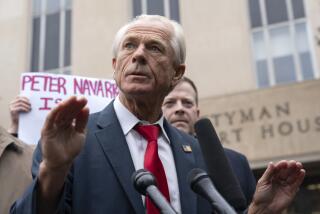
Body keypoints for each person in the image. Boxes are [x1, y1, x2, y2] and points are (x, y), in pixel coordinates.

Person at [11, 15, 305, 214]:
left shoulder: (202, 158)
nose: (138, 55)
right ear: (116, 66)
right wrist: (54, 170)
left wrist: (257, 211)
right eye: (129, 46)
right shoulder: (69, 145)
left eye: (154, 48)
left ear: (177, 73)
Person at [162, 76, 256, 205]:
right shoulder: (149, 161)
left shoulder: (237, 163)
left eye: (187, 103)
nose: (180, 109)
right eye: (170, 103)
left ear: (197, 113)